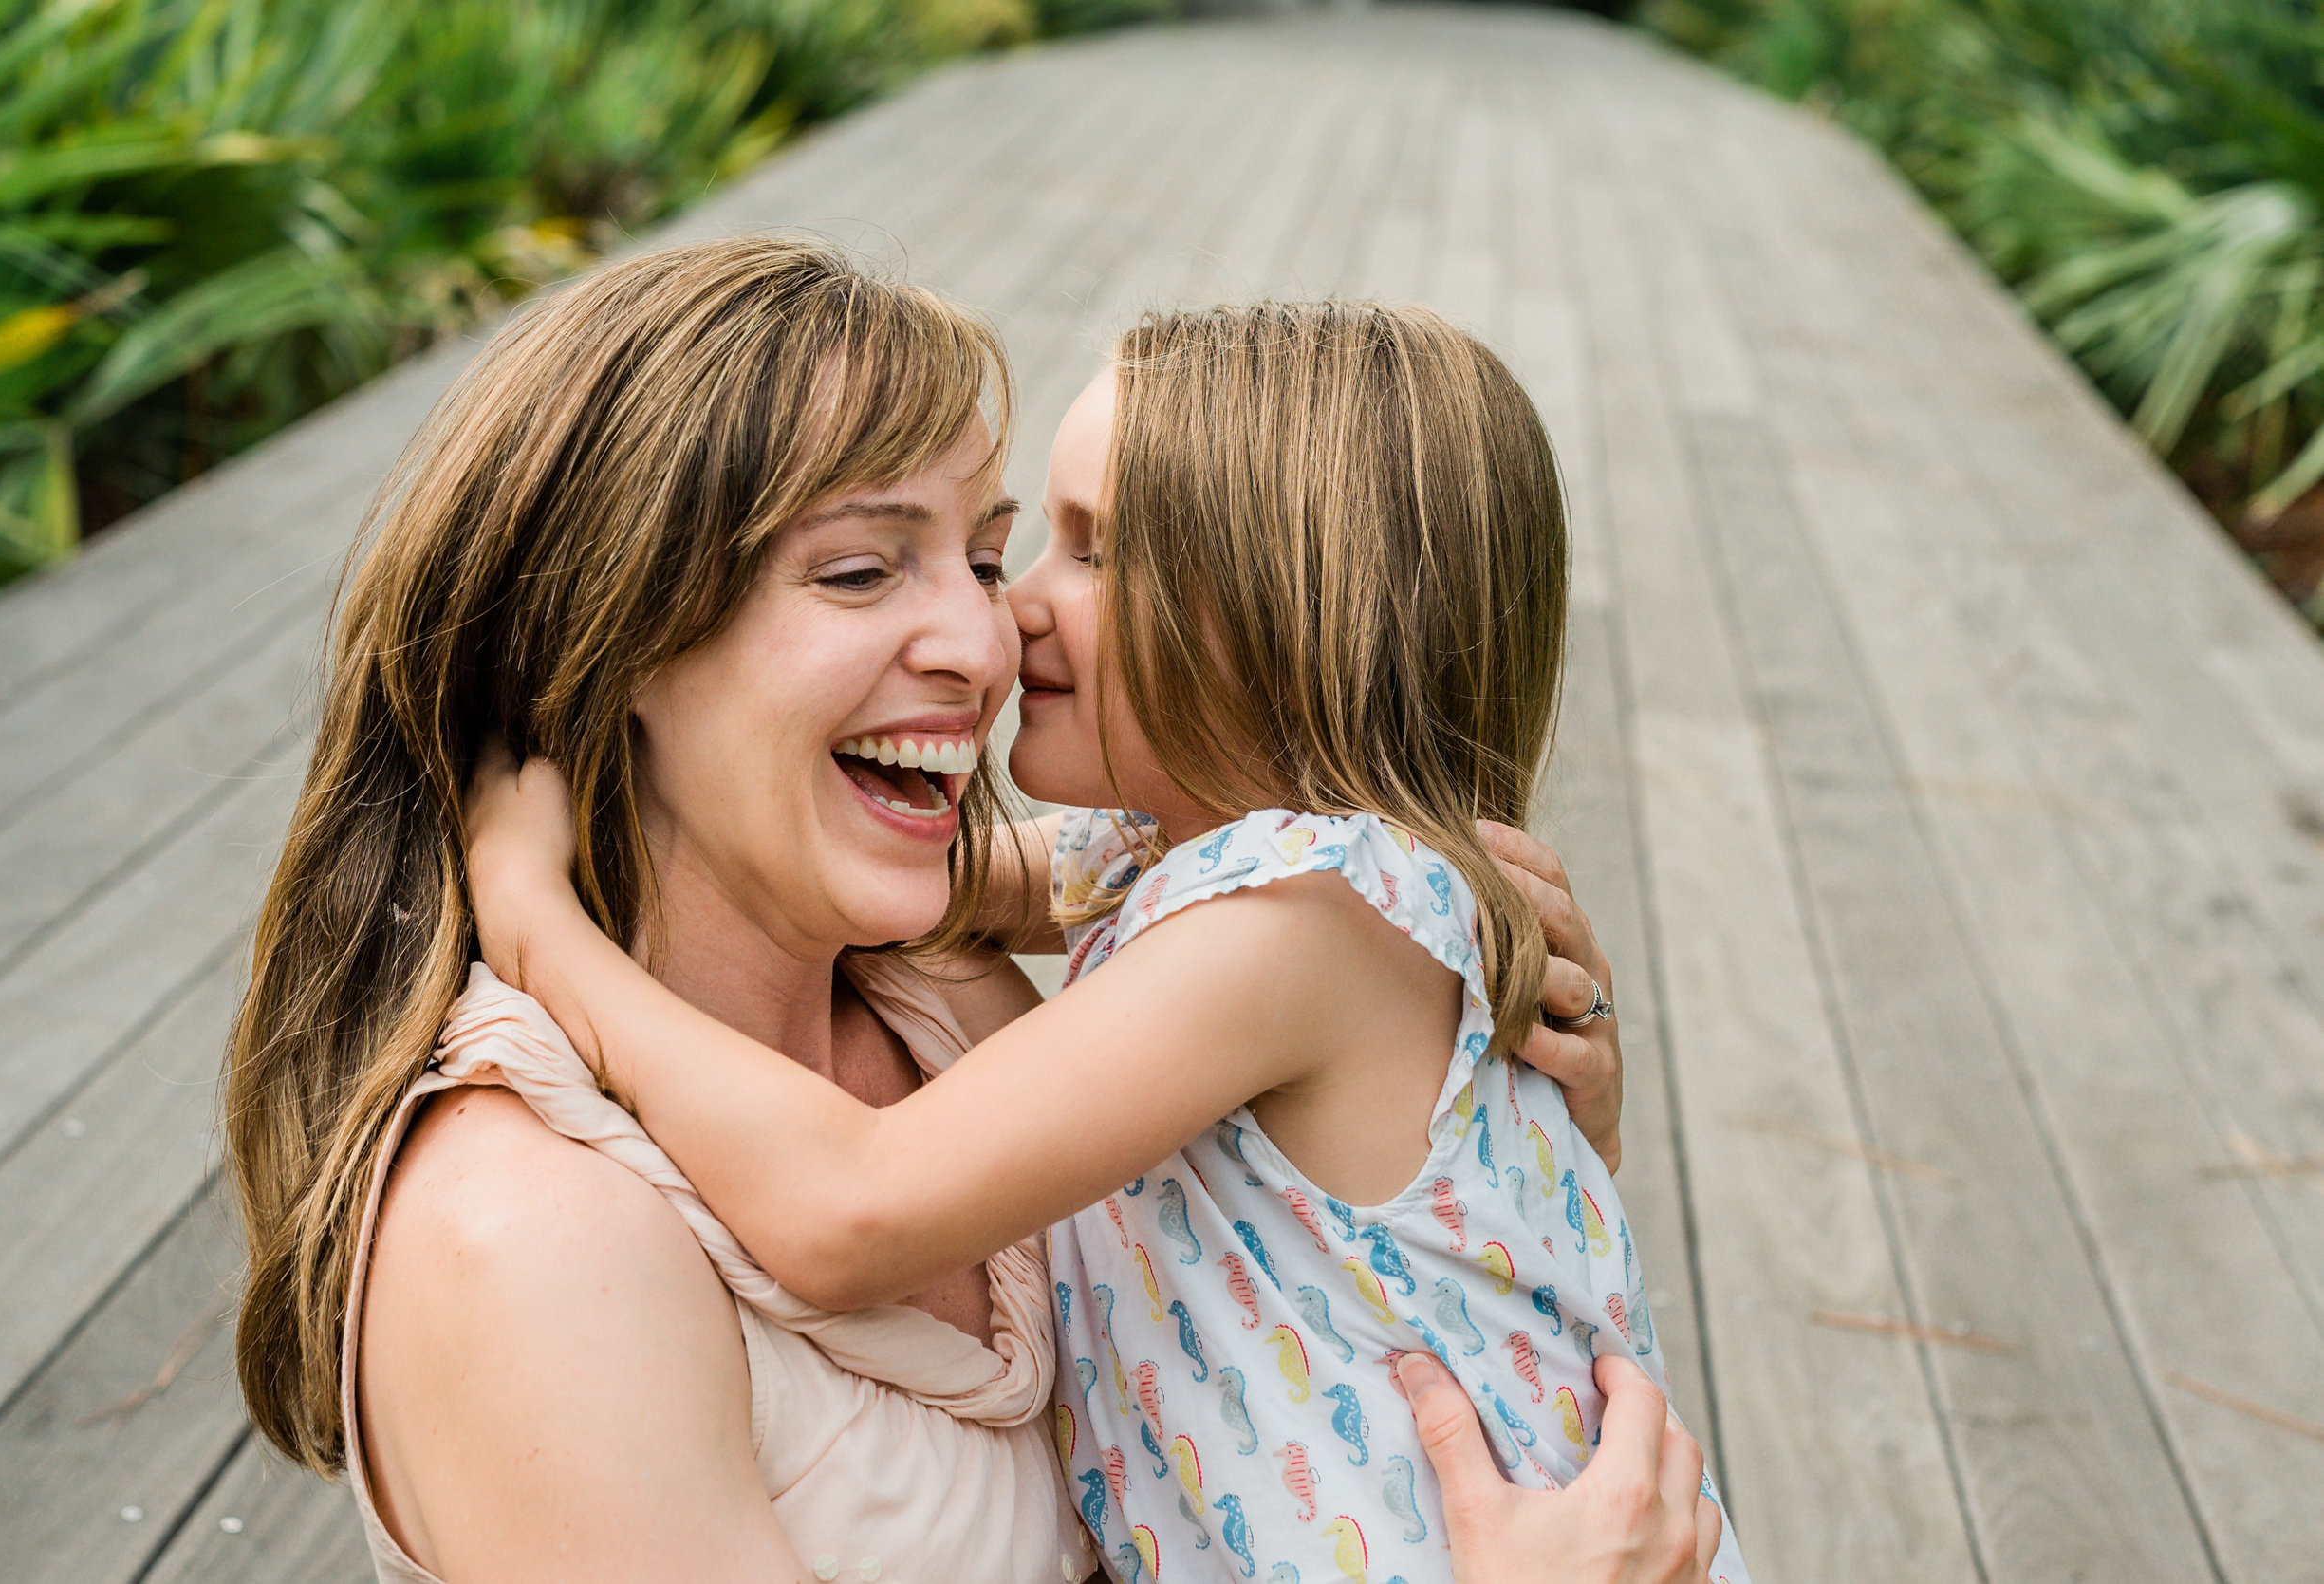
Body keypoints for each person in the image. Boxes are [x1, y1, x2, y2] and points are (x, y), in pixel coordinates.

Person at [222, 236, 1701, 1583]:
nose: (999, 631)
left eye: (1005, 555)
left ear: (1296, 611)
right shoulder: (530, 1235)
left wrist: (1507, 1069)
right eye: (867, 569)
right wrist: (532, 921)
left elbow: (884, 1152)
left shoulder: (968, 987)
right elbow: (892, 1118)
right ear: (601, 635)